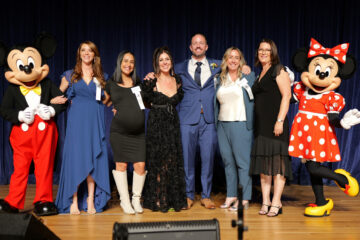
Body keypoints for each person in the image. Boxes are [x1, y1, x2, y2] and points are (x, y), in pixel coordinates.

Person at [174, 34, 251, 209]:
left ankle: (206, 195)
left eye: (201, 43)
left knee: (208, 160)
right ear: (190, 47)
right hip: (187, 119)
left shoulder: (217, 65)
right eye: (195, 43)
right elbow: (164, 76)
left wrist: (244, 66)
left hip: (209, 120)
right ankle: (188, 194)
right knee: (187, 160)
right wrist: (151, 75)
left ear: (206, 47)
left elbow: (233, 65)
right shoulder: (179, 67)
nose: (198, 45)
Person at [55, 41, 111, 214]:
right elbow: (58, 94)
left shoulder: (101, 76)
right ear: (79, 54)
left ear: (95, 55)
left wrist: (109, 105)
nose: (87, 53)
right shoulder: (70, 75)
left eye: (90, 51)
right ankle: (73, 201)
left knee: (93, 159)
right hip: (77, 122)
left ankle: (90, 199)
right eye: (83, 50)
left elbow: (107, 99)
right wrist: (54, 100)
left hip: (94, 121)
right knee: (77, 159)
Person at [249, 38, 292, 217]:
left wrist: (280, 121)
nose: (263, 52)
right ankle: (266, 200)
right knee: (264, 165)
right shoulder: (260, 73)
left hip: (276, 125)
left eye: (267, 49)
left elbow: (287, 95)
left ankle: (276, 201)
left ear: (273, 52)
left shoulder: (278, 69)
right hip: (261, 126)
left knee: (277, 164)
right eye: (260, 49)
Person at [142, 46, 187, 212]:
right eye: (161, 60)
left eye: (167, 59)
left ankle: (172, 199)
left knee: (172, 161)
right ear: (156, 63)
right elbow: (143, 101)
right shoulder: (150, 80)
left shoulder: (178, 80)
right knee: (158, 161)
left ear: (171, 61)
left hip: (172, 124)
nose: (164, 62)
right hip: (156, 124)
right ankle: (158, 198)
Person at [103, 50, 146, 215]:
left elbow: (144, 104)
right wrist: (116, 108)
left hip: (138, 134)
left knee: (140, 166)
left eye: (132, 62)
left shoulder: (139, 84)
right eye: (125, 61)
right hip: (119, 133)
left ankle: (136, 199)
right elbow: (105, 102)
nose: (128, 64)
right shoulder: (112, 83)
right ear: (120, 63)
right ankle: (124, 201)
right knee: (121, 165)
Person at [214, 47, 255, 211]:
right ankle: (231, 195)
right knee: (228, 162)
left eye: (236, 57)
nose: (233, 60)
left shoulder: (248, 76)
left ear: (241, 61)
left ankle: (244, 198)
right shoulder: (219, 78)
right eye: (230, 57)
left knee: (242, 163)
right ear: (225, 59)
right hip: (223, 125)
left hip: (240, 123)